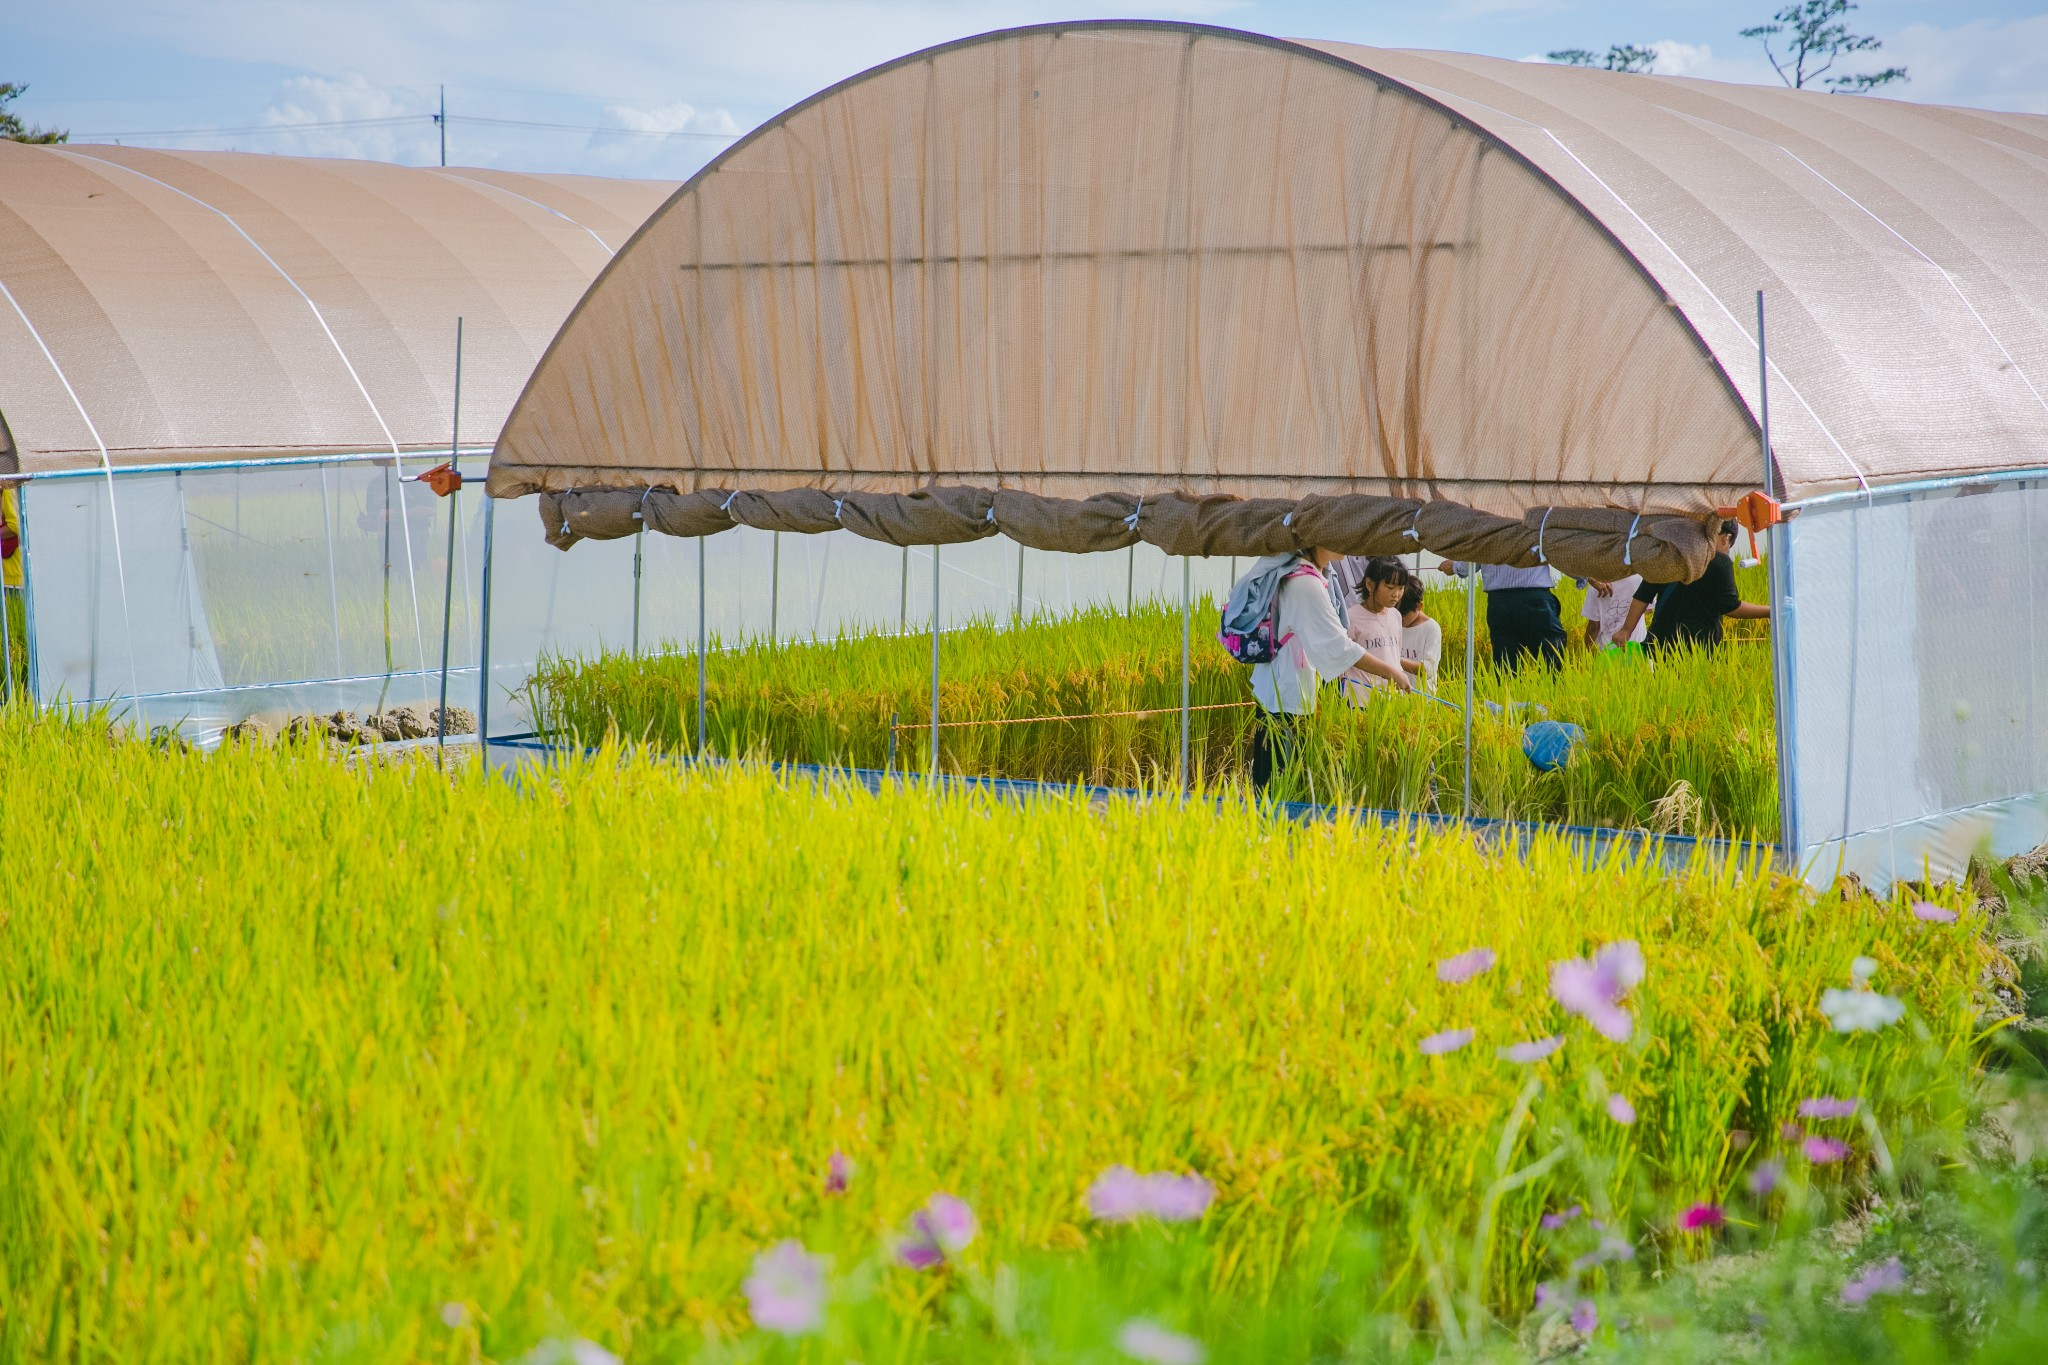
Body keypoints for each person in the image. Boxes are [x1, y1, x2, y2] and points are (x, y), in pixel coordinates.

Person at [1246, 546, 1372, 791]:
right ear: (1318, 538)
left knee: (1275, 774)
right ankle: (1274, 826)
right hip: (1285, 696)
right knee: (1280, 778)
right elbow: (1338, 646)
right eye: (1338, 535)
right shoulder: (1305, 583)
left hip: (1278, 689)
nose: (1347, 542)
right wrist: (1391, 672)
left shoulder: (1304, 573)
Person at [1619, 519, 1770, 651]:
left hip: (1661, 644)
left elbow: (1643, 595)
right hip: (1699, 647)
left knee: (1665, 683)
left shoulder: (1670, 554)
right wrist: (1771, 611)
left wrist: (1626, 630)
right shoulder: (1719, 561)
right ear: (1726, 538)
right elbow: (1730, 606)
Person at [1436, 560, 1567, 671]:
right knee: (1551, 663)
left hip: (1500, 604)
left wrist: (1454, 566)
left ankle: (1507, 698)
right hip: (1535, 601)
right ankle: (1553, 697)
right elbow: (1559, 552)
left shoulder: (1486, 529)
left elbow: (1474, 555)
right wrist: (1583, 575)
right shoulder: (1537, 528)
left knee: (1506, 665)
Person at [1340, 557, 1417, 704]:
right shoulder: (1351, 617)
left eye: (1400, 588)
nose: (1396, 594)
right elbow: (1345, 657)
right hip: (1361, 700)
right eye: (1389, 587)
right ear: (1369, 584)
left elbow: (1394, 656)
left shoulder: (1395, 615)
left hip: (1392, 698)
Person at [1580, 573, 1648, 650]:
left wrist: (1586, 652)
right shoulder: (1639, 578)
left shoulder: (1597, 586)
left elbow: (1594, 626)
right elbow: (1648, 610)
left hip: (1607, 650)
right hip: (1637, 647)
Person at [1398, 580, 1441, 688]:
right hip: (1395, 698)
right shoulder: (1393, 622)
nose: (1400, 618)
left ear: (1419, 606)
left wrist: (1395, 658)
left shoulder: (1431, 628)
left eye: (1404, 614)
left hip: (1422, 699)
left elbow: (1429, 669)